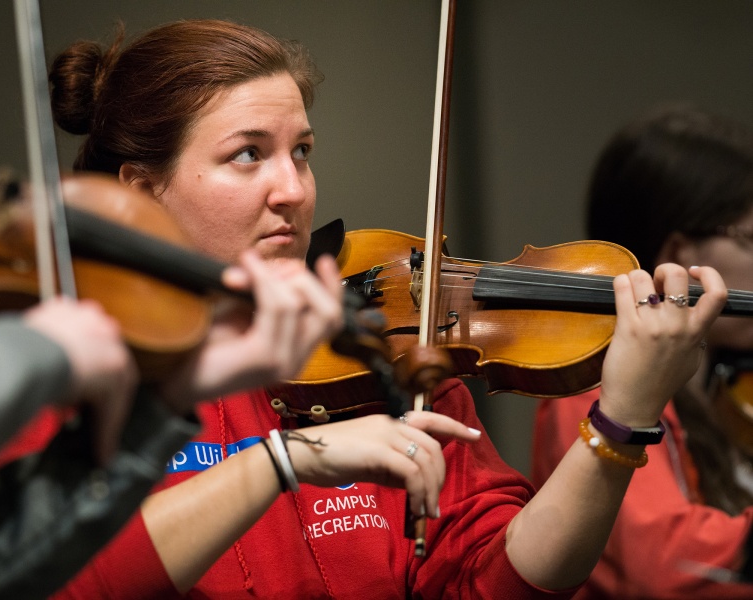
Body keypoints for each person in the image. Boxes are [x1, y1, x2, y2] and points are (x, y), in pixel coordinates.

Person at [38, 19, 726, 599]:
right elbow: (67, 575)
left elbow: (499, 579)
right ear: (143, 187)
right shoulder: (77, 368)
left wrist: (623, 416)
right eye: (248, 155)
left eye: (301, 152)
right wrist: (285, 458)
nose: (293, 189)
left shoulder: (383, 351)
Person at [0, 2, 345, 598]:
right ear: (141, 189)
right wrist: (29, 356)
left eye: (302, 152)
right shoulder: (37, 351)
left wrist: (160, 408)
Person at [533, 105, 753, 598]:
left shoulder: (725, 384)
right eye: (752, 239)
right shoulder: (594, 390)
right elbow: (669, 563)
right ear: (679, 258)